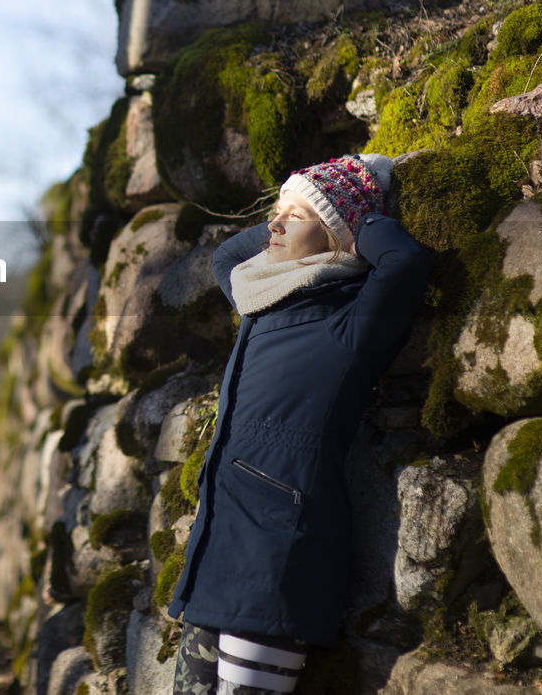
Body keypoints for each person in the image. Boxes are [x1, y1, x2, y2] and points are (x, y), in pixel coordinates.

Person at [169, 153, 432, 694]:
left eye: (295, 215)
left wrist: (360, 215)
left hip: (277, 554)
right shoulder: (265, 298)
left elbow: (403, 262)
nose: (275, 223)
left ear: (340, 235)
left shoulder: (349, 320)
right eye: (276, 211)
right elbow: (226, 256)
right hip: (219, 545)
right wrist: (301, 205)